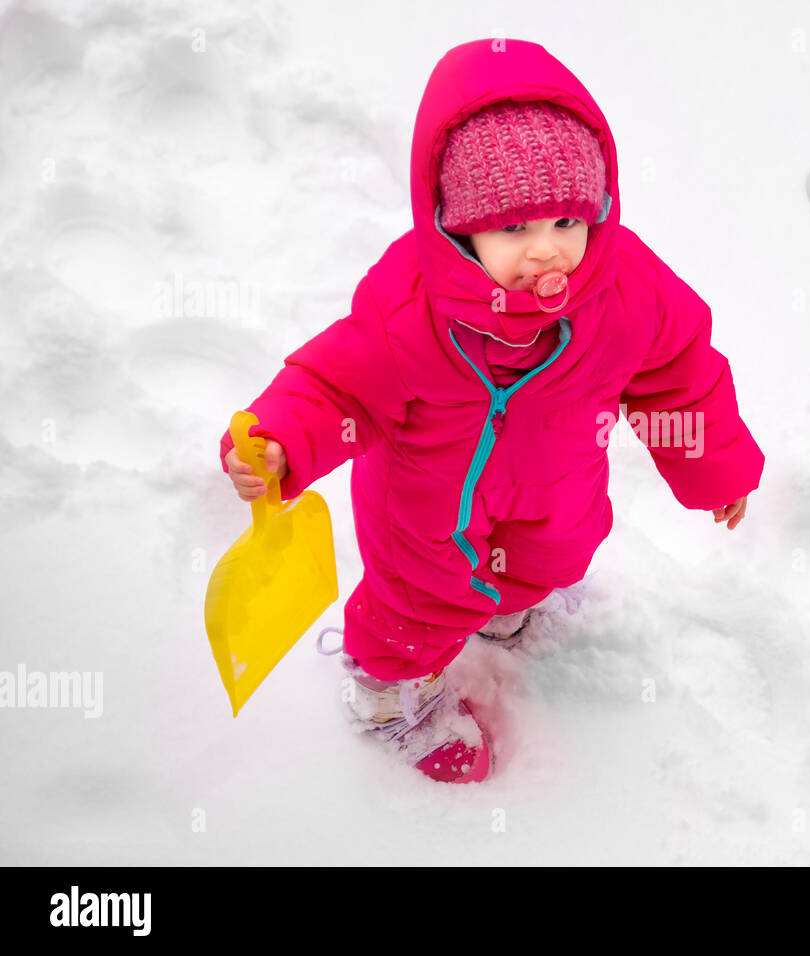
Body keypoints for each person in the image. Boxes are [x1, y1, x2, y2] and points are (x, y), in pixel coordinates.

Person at [219, 37, 764, 783]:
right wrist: (284, 441)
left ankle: (501, 606)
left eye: (568, 224)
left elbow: (680, 373)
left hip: (557, 489)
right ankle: (388, 699)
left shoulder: (626, 288)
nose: (547, 253)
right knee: (415, 607)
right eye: (515, 230)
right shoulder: (411, 307)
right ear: (458, 225)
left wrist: (715, 467)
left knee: (554, 557)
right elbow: (337, 386)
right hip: (427, 508)